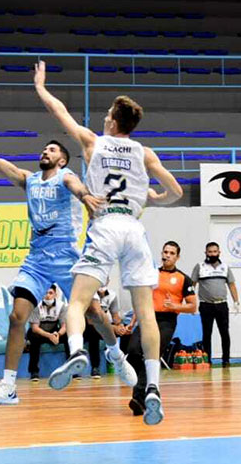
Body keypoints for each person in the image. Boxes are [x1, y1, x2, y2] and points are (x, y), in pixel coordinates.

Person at [34, 61, 183, 425]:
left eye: (106, 114)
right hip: (133, 228)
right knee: (146, 314)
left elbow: (59, 111)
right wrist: (148, 198)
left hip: (104, 224)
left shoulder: (92, 142)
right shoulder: (145, 153)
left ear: (113, 122)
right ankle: (153, 388)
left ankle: (76, 351)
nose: (103, 118)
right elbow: (176, 192)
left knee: (78, 301)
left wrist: (40, 86)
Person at [0, 127, 120, 405]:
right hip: (36, 259)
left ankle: (115, 351)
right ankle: (9, 386)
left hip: (66, 257)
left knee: (95, 312)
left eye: (52, 149)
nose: (45, 151)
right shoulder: (30, 180)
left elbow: (77, 187)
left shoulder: (66, 176)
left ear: (62, 160)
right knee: (16, 317)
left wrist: (86, 197)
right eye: (44, 149)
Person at [125, 241, 196, 415]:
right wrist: (133, 322)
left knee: (151, 355)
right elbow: (142, 299)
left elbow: (193, 307)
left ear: (177, 257)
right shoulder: (151, 274)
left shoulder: (183, 278)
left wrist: (174, 306)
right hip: (147, 316)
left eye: (172, 253)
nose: (167, 255)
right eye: (165, 252)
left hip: (167, 320)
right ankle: (148, 390)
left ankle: (139, 399)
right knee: (133, 351)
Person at [192, 242, 240, 367]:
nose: (212, 254)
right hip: (206, 305)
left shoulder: (225, 267)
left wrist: (236, 301)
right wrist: (190, 303)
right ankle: (207, 360)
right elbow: (192, 285)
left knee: (224, 333)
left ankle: (226, 360)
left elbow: (231, 285)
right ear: (206, 253)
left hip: (222, 305)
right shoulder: (199, 267)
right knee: (206, 334)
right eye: (210, 252)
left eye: (215, 251)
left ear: (219, 252)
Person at [27, 285, 70, 380]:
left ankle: (71, 370)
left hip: (54, 331)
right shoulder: (36, 306)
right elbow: (35, 328)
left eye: (50, 293)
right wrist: (49, 336)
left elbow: (64, 326)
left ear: (55, 294)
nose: (47, 295)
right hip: (40, 332)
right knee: (33, 337)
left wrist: (57, 335)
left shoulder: (62, 306)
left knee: (68, 336)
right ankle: (34, 371)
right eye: (45, 293)